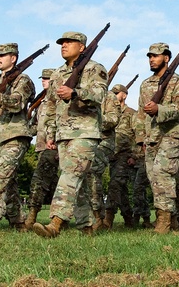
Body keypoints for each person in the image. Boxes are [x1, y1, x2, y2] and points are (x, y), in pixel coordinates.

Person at [34, 31, 108, 238]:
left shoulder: (95, 68)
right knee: (79, 181)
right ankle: (86, 227)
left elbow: (100, 94)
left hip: (85, 132)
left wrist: (76, 93)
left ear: (82, 47)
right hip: (63, 135)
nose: (63, 45)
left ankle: (55, 223)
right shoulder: (58, 73)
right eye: (62, 43)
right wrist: (50, 132)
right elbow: (49, 105)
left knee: (70, 175)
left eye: (69, 42)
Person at [0, 43, 35, 232]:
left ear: (14, 58)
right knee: (8, 181)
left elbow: (18, 103)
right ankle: (19, 221)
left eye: (3, 55)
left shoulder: (23, 80)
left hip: (15, 136)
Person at [136, 42, 179, 235]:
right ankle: (172, 219)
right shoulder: (145, 84)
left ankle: (163, 221)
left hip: (173, 133)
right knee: (154, 178)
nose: (152, 59)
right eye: (150, 56)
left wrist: (159, 109)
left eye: (156, 56)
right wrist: (141, 139)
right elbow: (140, 115)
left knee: (162, 173)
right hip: (152, 136)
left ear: (166, 58)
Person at [25, 69, 59, 230]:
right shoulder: (40, 103)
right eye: (43, 79)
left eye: (47, 79)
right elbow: (34, 128)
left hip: (54, 146)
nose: (43, 81)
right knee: (50, 184)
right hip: (40, 147)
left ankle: (32, 217)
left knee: (39, 181)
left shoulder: (58, 99)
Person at [104, 83, 137, 228]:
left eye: (117, 93)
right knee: (120, 189)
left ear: (124, 94)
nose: (115, 96)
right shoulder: (111, 112)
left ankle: (108, 218)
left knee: (115, 185)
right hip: (112, 155)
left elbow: (139, 134)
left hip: (125, 155)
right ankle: (129, 218)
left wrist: (134, 155)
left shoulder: (131, 113)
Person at [89, 83, 121, 231]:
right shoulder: (80, 94)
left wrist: (93, 119)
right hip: (84, 141)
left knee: (92, 171)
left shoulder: (108, 96)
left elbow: (113, 119)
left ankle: (97, 217)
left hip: (103, 141)